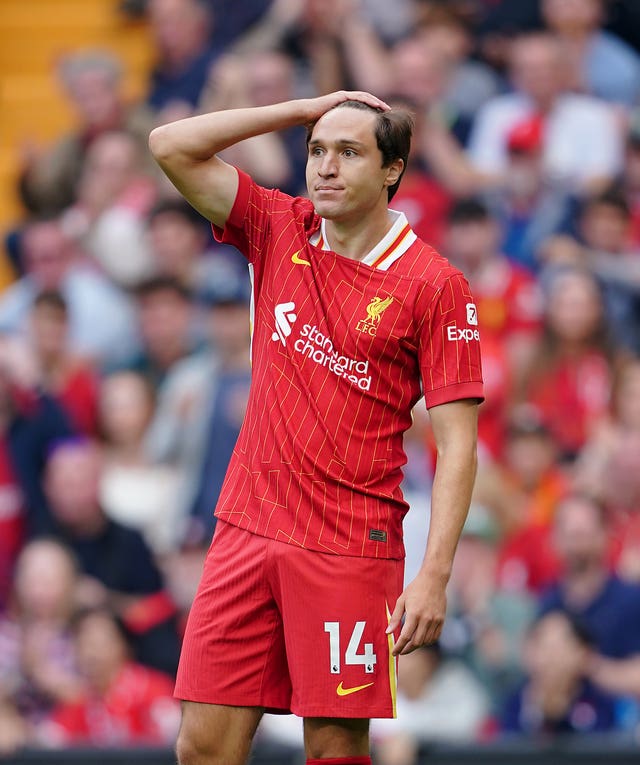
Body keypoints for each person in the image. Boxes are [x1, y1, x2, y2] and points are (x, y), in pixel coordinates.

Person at [149, 89, 483, 765]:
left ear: (392, 170)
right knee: (202, 745)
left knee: (334, 748)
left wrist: (434, 576)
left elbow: (458, 445)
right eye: (317, 151)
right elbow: (169, 145)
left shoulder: (433, 283)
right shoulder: (278, 226)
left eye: (349, 152)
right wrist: (304, 108)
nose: (325, 167)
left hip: (348, 545)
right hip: (247, 525)